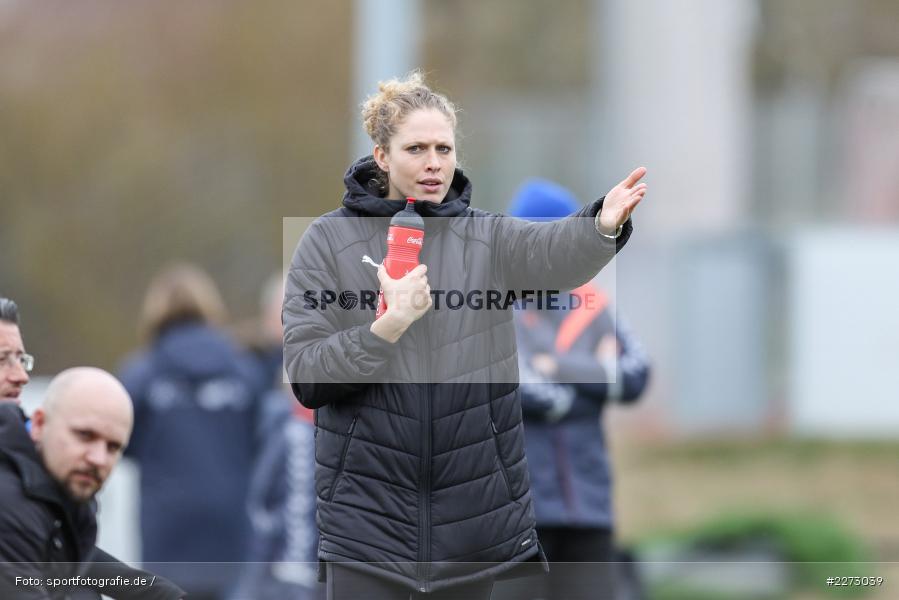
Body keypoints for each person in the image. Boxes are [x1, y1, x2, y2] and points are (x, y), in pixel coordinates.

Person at [283, 71, 647, 600]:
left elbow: (554, 255)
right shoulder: (325, 243)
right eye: (416, 148)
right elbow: (309, 377)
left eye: (443, 148)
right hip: (366, 528)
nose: (434, 162)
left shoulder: (488, 237)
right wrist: (388, 326)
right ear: (381, 156)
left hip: (473, 527)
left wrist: (600, 225)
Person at [492, 180, 651, 600]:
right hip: (517, 516)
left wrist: (558, 366)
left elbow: (636, 377)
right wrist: (597, 376)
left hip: (589, 507)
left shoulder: (594, 305)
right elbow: (527, 393)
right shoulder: (494, 308)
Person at [0, 297, 185, 600]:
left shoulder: (25, 448)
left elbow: (65, 555)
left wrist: (155, 592)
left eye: (21, 359)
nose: (21, 375)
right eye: (2, 360)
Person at [118, 265, 266, 600]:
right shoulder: (243, 372)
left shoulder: (142, 373)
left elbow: (119, 442)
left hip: (165, 526)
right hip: (230, 523)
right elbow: (261, 440)